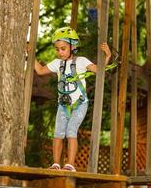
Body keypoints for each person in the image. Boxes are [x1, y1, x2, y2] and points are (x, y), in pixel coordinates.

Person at [34, 26, 111, 171]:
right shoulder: (57, 64)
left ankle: (70, 164)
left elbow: (98, 70)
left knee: (71, 131)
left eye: (63, 48)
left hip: (79, 104)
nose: (60, 52)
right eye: (57, 49)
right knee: (58, 133)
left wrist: (107, 57)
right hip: (63, 104)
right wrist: (30, 55)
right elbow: (40, 70)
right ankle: (56, 164)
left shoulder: (81, 61)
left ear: (73, 46)